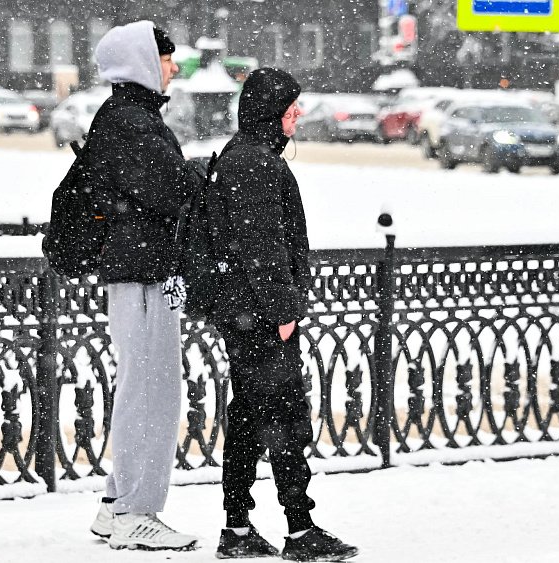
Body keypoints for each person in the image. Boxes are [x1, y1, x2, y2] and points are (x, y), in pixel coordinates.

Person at [207, 68, 359, 561]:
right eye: (290, 106)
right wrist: (282, 311)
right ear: (270, 111)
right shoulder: (253, 163)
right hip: (260, 317)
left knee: (251, 417)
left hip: (246, 314)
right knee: (284, 417)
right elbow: (263, 247)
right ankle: (299, 530)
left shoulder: (246, 157)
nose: (297, 113)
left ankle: (237, 528)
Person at [83, 20, 204, 551]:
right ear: (141, 64)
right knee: (153, 391)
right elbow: (172, 191)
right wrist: (207, 174)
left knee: (143, 385)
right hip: (146, 272)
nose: (174, 67)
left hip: (144, 271)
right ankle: (137, 510)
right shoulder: (133, 123)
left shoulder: (124, 118)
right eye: (166, 58)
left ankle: (116, 503)